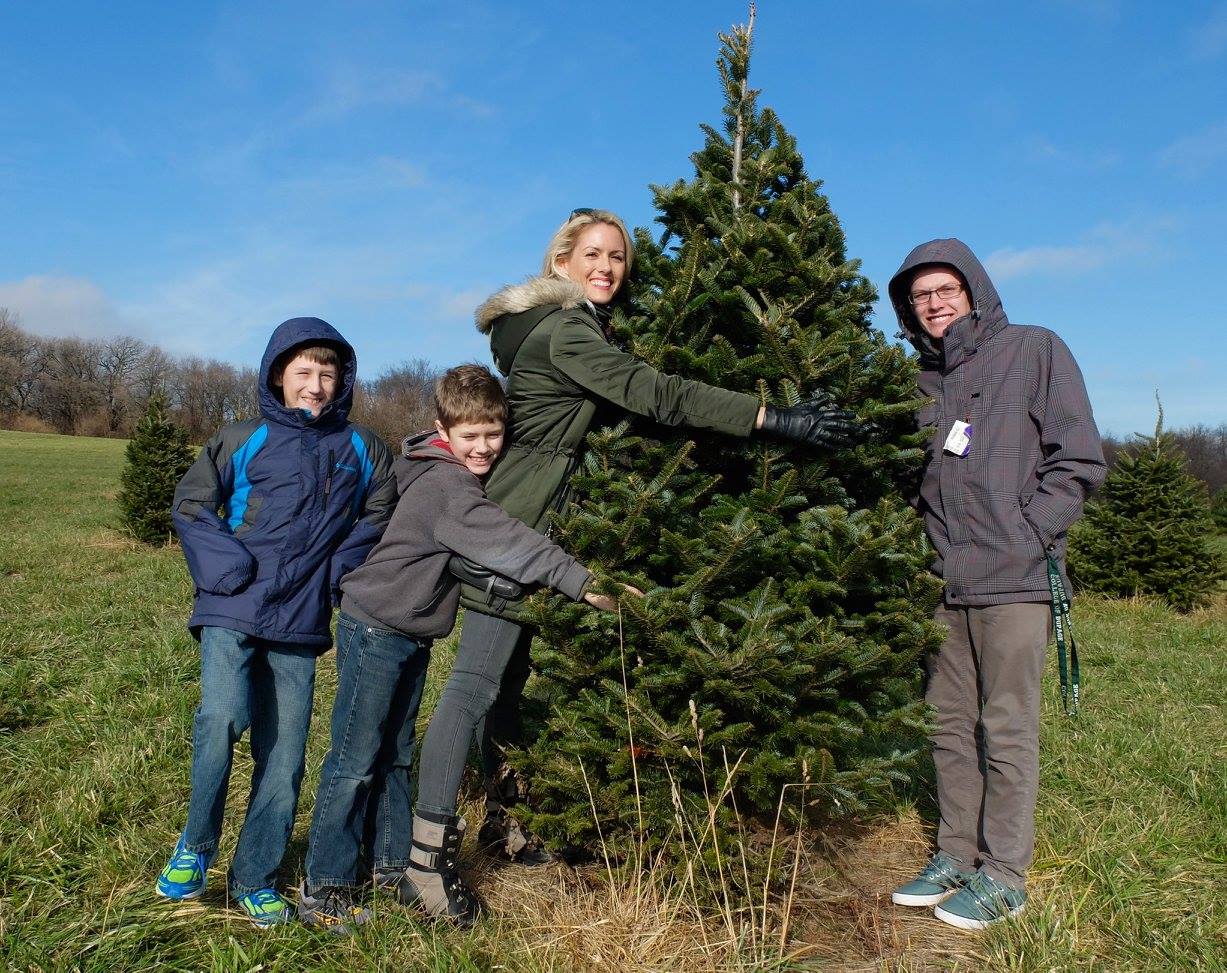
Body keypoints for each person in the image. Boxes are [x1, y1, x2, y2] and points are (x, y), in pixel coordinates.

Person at [437, 208, 868, 871]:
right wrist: (770, 416)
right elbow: (654, 392)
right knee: (478, 686)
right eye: (592, 254)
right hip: (518, 525)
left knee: (515, 686)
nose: (607, 267)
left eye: (617, 257)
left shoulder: (554, 327)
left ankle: (505, 824)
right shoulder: (564, 330)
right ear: (560, 263)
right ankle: (423, 847)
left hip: (536, 521)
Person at [299, 364, 627, 932]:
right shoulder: (451, 488)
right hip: (375, 627)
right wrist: (586, 584)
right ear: (442, 430)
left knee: (396, 753)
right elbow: (513, 542)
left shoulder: (432, 466)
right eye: (469, 436)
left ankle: (389, 867)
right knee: (354, 760)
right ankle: (322, 884)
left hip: (409, 633)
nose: (482, 448)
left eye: (493, 435)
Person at [886, 239, 1105, 930]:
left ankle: (1004, 873)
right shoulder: (918, 384)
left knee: (1005, 725)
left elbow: (1077, 457)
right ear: (908, 309)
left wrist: (1030, 531)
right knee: (948, 723)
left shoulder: (1034, 350)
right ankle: (955, 852)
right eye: (920, 296)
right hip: (939, 581)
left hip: (1013, 579)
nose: (933, 303)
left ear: (973, 290)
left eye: (944, 289)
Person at [155, 317, 396, 928]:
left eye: (327, 373)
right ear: (277, 376)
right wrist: (227, 564)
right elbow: (191, 503)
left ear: (343, 381)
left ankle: (256, 877)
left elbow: (380, 510)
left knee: (285, 755)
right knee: (221, 717)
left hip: (301, 616)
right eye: (303, 372)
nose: (315, 385)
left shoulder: (362, 448)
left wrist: (342, 566)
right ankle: (196, 845)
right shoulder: (242, 436)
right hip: (232, 603)